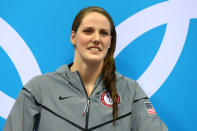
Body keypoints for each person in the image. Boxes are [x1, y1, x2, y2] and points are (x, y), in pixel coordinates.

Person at [4, 6, 168, 131]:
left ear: (110, 41)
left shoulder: (131, 91)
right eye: (88, 31)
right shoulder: (38, 88)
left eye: (103, 33)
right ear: (73, 37)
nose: (96, 39)